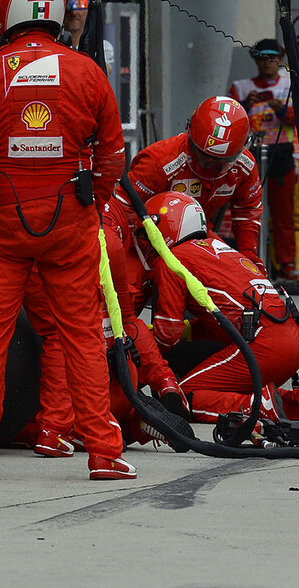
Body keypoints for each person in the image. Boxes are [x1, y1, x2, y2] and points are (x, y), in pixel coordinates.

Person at [0, 0, 134, 480]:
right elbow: (114, 157)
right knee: (83, 336)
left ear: (5, 8)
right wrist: (91, 205)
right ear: (57, 9)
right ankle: (104, 453)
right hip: (70, 223)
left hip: (0, 225)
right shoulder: (88, 71)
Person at [142, 192, 299, 423]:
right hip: (288, 336)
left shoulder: (173, 260)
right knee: (224, 387)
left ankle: (256, 408)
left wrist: (138, 343)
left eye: (146, 233)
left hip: (261, 343)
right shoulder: (218, 246)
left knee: (182, 398)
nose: (145, 241)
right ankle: (290, 404)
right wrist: (190, 330)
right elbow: (223, 315)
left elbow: (167, 335)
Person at [114, 96, 263, 307]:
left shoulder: (245, 166)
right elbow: (122, 211)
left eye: (220, 160)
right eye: (203, 155)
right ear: (189, 133)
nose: (209, 163)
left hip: (197, 237)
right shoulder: (159, 162)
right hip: (142, 241)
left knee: (240, 279)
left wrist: (248, 254)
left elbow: (247, 211)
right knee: (127, 296)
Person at [228, 38, 297, 279]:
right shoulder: (242, 86)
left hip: (282, 153)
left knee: (283, 215)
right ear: (255, 59)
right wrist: (244, 104)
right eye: (262, 57)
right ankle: (243, 262)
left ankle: (286, 267)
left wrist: (282, 110)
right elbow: (228, 117)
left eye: (273, 58)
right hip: (249, 155)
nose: (268, 63)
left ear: (280, 59)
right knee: (243, 212)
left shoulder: (290, 84)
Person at [62, 0, 114, 73]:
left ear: (88, 10)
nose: (74, 13)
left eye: (80, 5)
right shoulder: (53, 44)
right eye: (69, 7)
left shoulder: (101, 46)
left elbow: (102, 74)